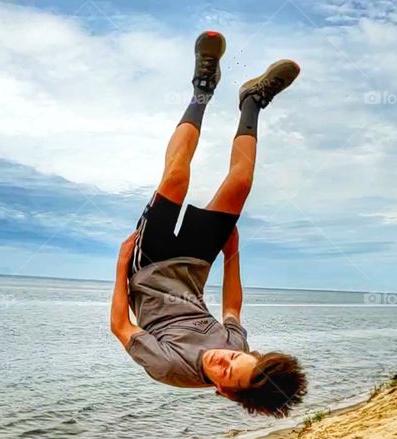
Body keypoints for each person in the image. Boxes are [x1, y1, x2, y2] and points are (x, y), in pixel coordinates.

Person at [110, 31, 307, 417]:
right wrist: (232, 255)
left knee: (176, 179)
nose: (225, 359)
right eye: (237, 358)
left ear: (224, 392)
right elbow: (232, 305)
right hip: (195, 266)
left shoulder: (171, 368)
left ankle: (202, 88)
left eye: (226, 372)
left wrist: (121, 265)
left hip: (147, 267)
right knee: (240, 185)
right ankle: (252, 101)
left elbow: (121, 326)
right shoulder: (237, 346)